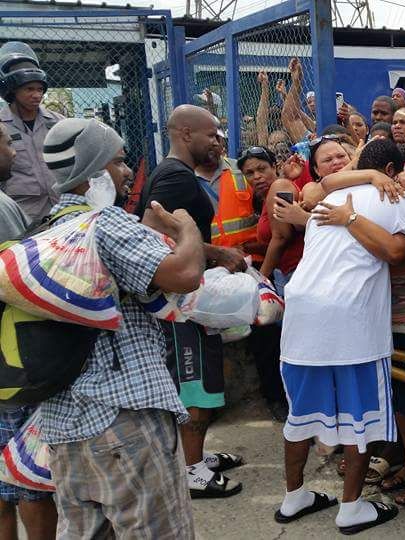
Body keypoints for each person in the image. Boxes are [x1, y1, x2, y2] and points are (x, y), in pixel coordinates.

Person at [40, 117, 205, 538]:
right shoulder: (104, 224)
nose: (127, 171)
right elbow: (184, 273)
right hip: (124, 418)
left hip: (63, 428)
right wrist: (187, 229)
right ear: (93, 173)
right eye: (117, 161)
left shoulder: (43, 232)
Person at [274, 144, 405, 534]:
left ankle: (293, 497)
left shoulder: (329, 196)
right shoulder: (398, 196)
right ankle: (351, 508)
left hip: (300, 313)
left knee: (299, 416)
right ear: (392, 170)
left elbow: (326, 183)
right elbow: (402, 252)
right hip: (352, 320)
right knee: (358, 419)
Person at [135, 105, 247, 499]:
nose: (218, 141)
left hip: (188, 296)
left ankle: (194, 457)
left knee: (200, 380)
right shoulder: (175, 177)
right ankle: (193, 472)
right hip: (181, 302)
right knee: (195, 383)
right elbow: (153, 235)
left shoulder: (175, 174)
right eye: (212, 134)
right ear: (185, 133)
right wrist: (218, 255)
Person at [0, 122, 53, 540]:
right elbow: (20, 281)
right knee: (31, 483)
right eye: (6, 144)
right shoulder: (1, 207)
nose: (15, 153)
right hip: (13, 363)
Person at [237, 146, 296, 422]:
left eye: (262, 168)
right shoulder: (263, 198)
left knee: (291, 346)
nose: (257, 176)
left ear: (275, 166)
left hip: (293, 276)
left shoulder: (280, 187)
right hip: (286, 276)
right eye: (250, 172)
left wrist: (262, 278)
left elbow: (281, 236)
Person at [0, 41, 63, 221]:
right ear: (12, 91)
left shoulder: (57, 122)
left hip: (61, 209)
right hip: (22, 213)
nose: (37, 95)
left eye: (40, 89)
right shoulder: (0, 127)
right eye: (29, 89)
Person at [194, 130, 259, 254]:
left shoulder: (243, 169)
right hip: (210, 264)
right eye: (207, 138)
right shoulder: (183, 180)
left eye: (217, 138)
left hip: (253, 258)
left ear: (223, 143)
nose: (212, 143)